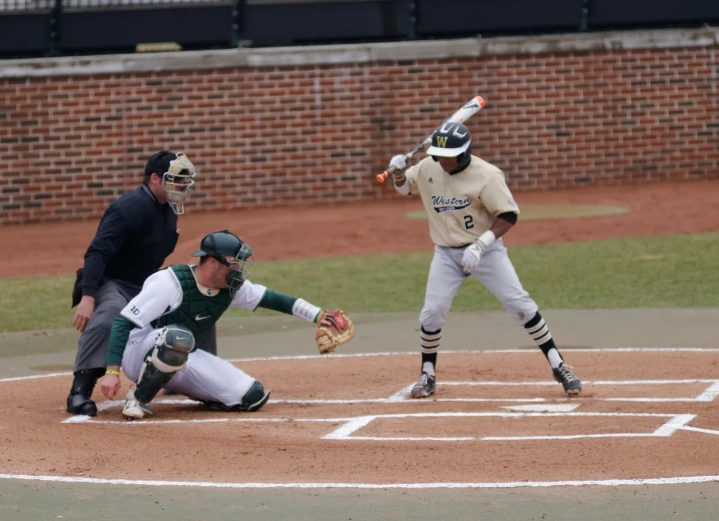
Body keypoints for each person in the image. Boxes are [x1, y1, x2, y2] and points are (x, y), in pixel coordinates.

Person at [387, 121, 582, 398]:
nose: (440, 161)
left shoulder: (487, 175)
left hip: (485, 251)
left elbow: (508, 215)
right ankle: (427, 374)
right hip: (446, 252)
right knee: (432, 312)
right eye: (437, 156)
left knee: (520, 304)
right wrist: (398, 175)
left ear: (463, 154)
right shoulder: (430, 166)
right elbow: (407, 189)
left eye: (446, 157)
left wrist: (480, 245)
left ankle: (559, 365)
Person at [99, 229, 347, 420]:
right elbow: (122, 322)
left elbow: (273, 299)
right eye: (235, 263)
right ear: (214, 262)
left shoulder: (231, 287)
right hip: (138, 352)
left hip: (181, 355)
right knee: (178, 337)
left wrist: (317, 315)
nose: (239, 270)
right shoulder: (169, 282)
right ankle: (137, 397)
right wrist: (112, 372)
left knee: (251, 397)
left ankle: (190, 388)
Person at [66, 150, 218, 417]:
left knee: (196, 303)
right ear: (155, 179)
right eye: (176, 180)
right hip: (112, 281)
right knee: (110, 315)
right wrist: (88, 297)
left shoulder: (168, 208)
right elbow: (96, 253)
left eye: (184, 181)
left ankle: (195, 379)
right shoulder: (129, 208)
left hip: (145, 282)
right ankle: (80, 391)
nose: (182, 187)